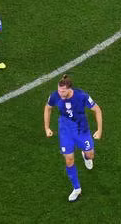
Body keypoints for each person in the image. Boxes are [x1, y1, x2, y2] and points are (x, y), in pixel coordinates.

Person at [44, 74, 103, 202]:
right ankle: (77, 188)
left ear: (70, 89)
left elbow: (97, 110)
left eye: (63, 91)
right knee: (69, 160)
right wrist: (47, 128)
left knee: (91, 155)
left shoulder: (82, 96)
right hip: (65, 131)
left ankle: (85, 156)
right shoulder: (55, 96)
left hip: (82, 130)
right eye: (59, 90)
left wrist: (99, 130)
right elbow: (48, 108)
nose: (60, 93)